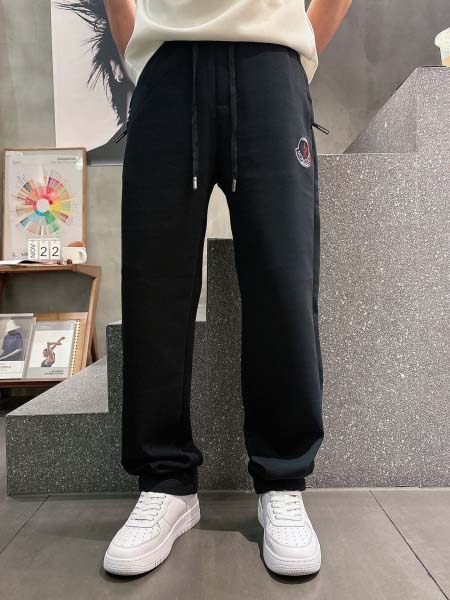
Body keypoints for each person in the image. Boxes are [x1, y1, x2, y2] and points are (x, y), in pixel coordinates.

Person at [103, 0, 352, 578]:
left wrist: (292, 49)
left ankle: (283, 480)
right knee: (154, 284)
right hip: (167, 65)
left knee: (284, 281)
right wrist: (143, 52)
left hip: (271, 63)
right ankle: (165, 483)